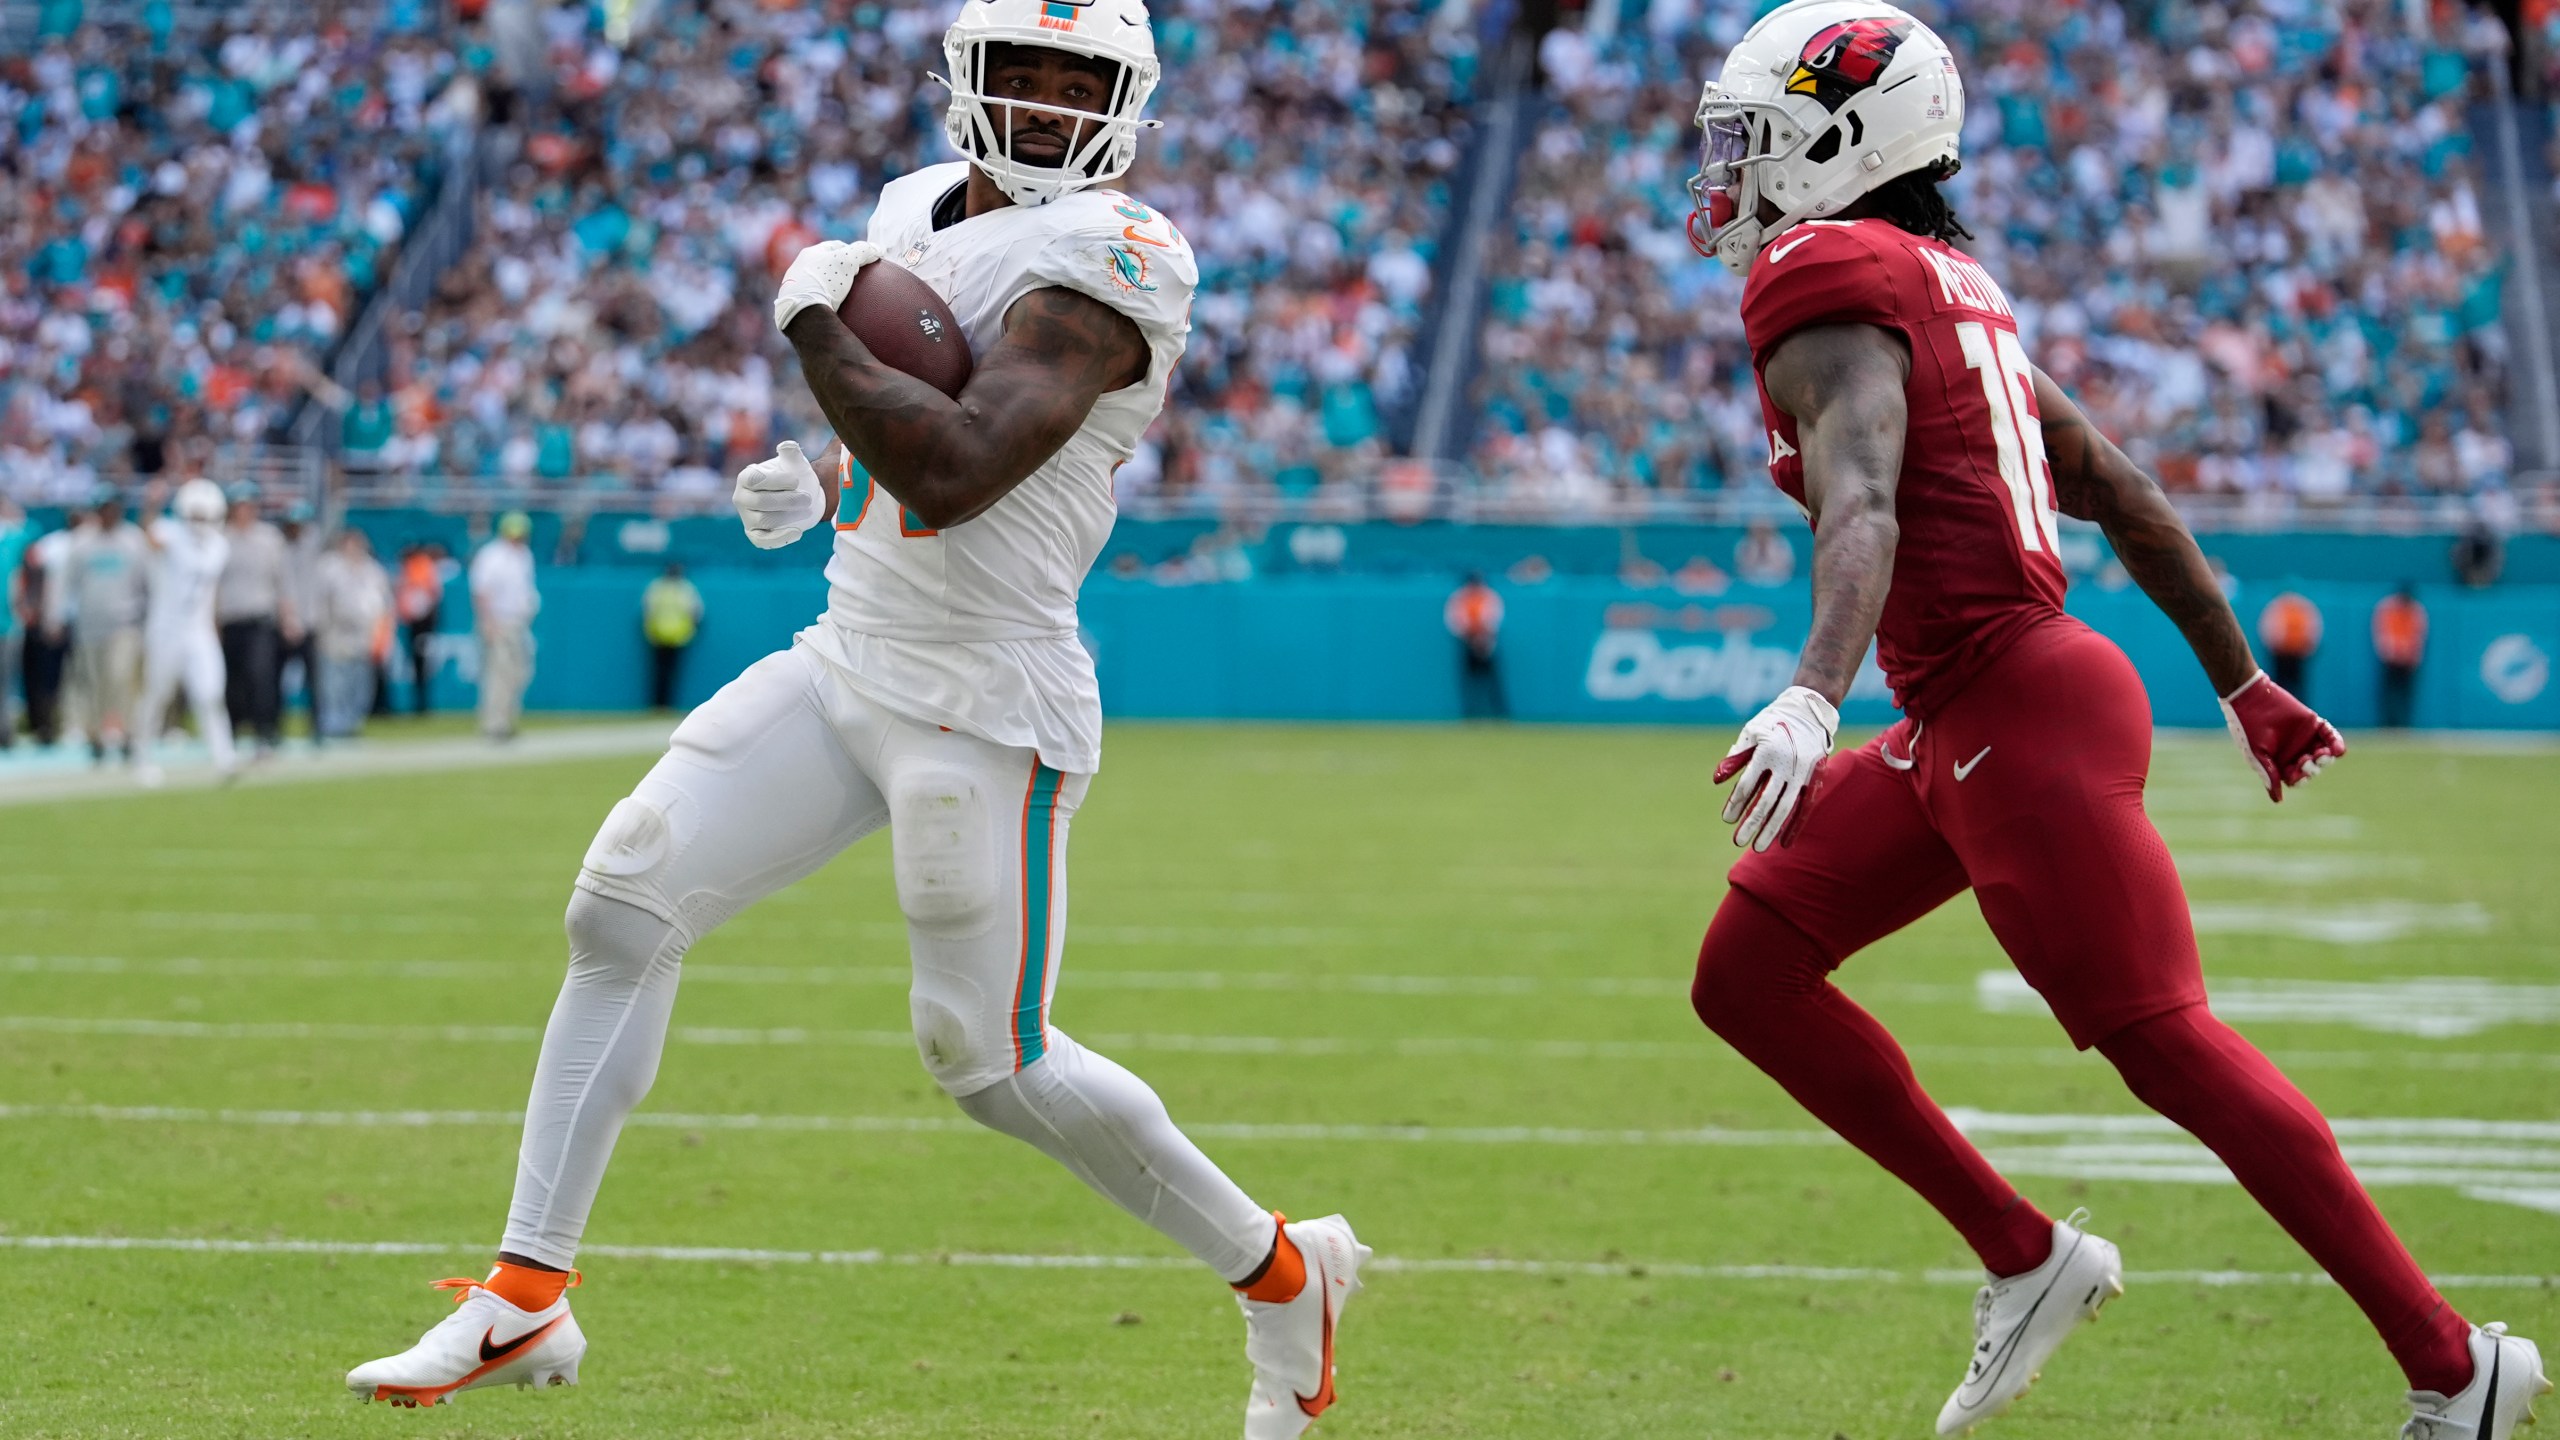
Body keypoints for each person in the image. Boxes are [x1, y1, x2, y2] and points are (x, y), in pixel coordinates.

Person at [348, 6, 1368, 1430]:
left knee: (987, 1061)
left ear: (1132, 101)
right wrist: (829, 472)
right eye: (1026, 75)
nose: (1053, 108)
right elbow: (909, 426)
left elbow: (958, 463)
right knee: (624, 898)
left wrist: (815, 320)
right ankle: (525, 1297)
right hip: (850, 649)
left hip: (985, 696)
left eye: (1085, 85)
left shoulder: (1122, 253)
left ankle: (1279, 1273)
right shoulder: (910, 208)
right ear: (967, 80)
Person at [1678, 7, 2543, 1439]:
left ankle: (2457, 1367)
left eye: (1755, 143)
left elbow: (1867, 501)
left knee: (2166, 1044)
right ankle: (2027, 1258)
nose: (1733, 176)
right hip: (1971, 711)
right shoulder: (1945, 282)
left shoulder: (1825, 270)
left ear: (1842, 142)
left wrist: (1814, 688)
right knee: (1748, 970)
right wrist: (2242, 682)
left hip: (2012, 704)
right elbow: (2123, 490)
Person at [132, 479, 239, 786]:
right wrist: (151, 504)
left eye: (204, 517)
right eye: (195, 516)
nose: (200, 523)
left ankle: (224, 757)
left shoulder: (220, 546)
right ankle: (142, 756)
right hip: (166, 628)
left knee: (210, 693)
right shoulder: (171, 532)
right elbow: (149, 535)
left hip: (199, 630)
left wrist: (215, 628)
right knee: (157, 695)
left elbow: (211, 593)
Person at [65, 487, 149, 764]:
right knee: (95, 684)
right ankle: (96, 737)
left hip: (124, 623)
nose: (108, 514)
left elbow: (145, 582)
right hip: (90, 625)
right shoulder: (82, 543)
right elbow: (69, 583)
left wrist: (144, 615)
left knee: (121, 677)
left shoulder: (133, 540)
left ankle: (126, 733)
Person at [215, 485, 289, 753]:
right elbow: (214, 586)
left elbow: (281, 581)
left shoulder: (269, 539)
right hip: (230, 619)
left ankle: (264, 732)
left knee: (260, 676)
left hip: (260, 618)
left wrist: (287, 617)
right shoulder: (221, 539)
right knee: (231, 680)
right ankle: (232, 732)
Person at [312, 530, 392, 739]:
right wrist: (322, 629)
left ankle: (351, 723)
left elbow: (383, 605)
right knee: (334, 683)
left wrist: (381, 635)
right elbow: (321, 601)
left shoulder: (373, 570)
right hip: (336, 631)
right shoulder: (330, 568)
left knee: (359, 683)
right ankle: (332, 725)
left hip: (364, 634)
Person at [470, 512, 539, 740]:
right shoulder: (492, 556)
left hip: (519, 623)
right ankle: (494, 725)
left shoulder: (525, 556)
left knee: (519, 674)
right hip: (499, 621)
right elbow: (481, 592)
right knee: (498, 674)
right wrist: (488, 622)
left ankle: (507, 719)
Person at [278, 503, 323, 742]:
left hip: (309, 623)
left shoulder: (311, 548)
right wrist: (288, 620)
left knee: (314, 681)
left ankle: (317, 728)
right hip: (286, 624)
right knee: (277, 682)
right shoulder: (279, 550)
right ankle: (275, 729)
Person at [639, 561, 702, 710]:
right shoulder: (685, 588)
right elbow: (696, 613)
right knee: (667, 673)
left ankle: (661, 704)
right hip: (672, 637)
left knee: (662, 673)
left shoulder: (657, 587)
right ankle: (664, 704)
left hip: (663, 636)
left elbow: (647, 611)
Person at [395, 542, 448, 715]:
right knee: (417, 664)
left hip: (422, 623)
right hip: (414, 622)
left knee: (423, 663)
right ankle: (419, 703)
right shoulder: (411, 569)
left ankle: (422, 703)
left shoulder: (423, 567)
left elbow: (430, 596)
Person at [1444, 571, 1506, 718]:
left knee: (1492, 680)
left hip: (1487, 642)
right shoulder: (1460, 597)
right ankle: (1471, 713)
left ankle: (1499, 713)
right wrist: (1470, 636)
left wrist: (1484, 636)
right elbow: (1455, 620)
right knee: (1469, 680)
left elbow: (1493, 618)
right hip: (1467, 642)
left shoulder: (1489, 595)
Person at [2374, 584, 2428, 730]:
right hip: (2391, 658)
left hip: (2408, 659)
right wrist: (2389, 652)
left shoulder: (2416, 610)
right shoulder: (2388, 607)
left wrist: (2412, 655)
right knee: (2389, 692)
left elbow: (2419, 635)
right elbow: (2381, 632)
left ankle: (2404, 723)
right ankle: (2387, 723)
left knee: (2405, 693)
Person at [0, 498, 30, 748]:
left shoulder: (12, 538)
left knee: (7, 680)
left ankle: (5, 731)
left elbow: (33, 530)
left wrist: (13, 513)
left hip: (8, 622)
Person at [2258, 590, 2322, 700]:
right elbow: (2267, 628)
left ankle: (2299, 713)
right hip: (2280, 655)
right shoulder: (2276, 607)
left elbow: (2313, 628)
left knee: (2298, 687)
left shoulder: (2302, 608)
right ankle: (2277, 712)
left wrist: (2309, 647)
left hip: (2298, 655)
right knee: (2278, 686)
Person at [1733, 515, 1796, 586]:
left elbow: (1785, 568)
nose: (1762, 533)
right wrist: (1756, 549)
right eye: (1759, 530)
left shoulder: (1781, 543)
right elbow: (1743, 568)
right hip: (1750, 582)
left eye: (1765, 530)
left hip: (1778, 582)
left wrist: (1768, 549)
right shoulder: (1744, 544)